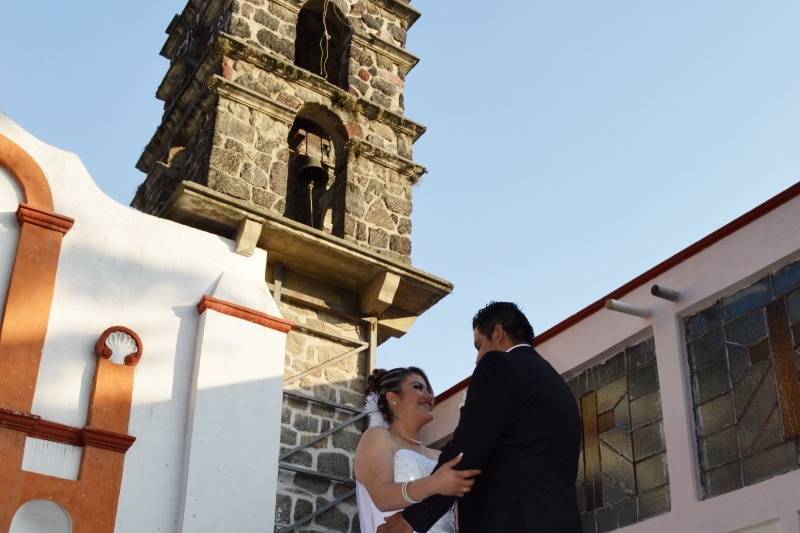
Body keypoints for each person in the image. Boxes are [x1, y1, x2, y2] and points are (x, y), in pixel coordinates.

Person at [378, 301, 583, 533]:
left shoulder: (499, 365)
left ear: (497, 333)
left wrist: (413, 520)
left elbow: (468, 453)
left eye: (479, 345)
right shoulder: (559, 388)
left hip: (512, 521)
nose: (478, 359)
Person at [354, 367, 480, 533]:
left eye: (429, 390)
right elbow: (382, 497)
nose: (429, 396)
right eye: (418, 387)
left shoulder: (439, 456)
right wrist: (434, 483)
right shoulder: (377, 437)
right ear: (393, 398)